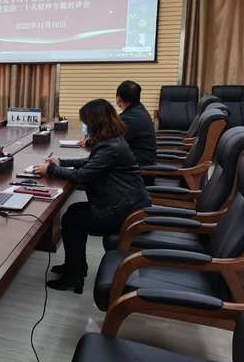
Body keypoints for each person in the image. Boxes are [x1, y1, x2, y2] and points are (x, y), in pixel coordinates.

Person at [33, 99, 150, 294]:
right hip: (126, 204)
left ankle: (74, 275)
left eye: (86, 122)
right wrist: (61, 161)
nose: (84, 126)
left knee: (73, 219)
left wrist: (52, 169)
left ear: (95, 122)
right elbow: (92, 163)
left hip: (123, 212)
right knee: (73, 213)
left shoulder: (110, 147)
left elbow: (82, 175)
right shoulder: (112, 141)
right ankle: (75, 267)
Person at [116, 80, 156, 184]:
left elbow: (111, 141)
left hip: (139, 174)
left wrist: (91, 141)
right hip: (142, 167)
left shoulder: (130, 118)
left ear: (119, 98)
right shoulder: (139, 110)